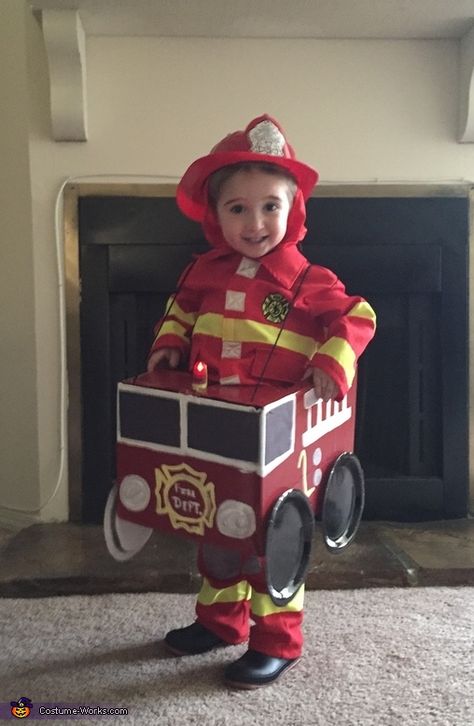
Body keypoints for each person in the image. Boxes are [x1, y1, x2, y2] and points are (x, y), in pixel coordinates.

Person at [147, 114, 376, 689]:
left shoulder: (308, 279)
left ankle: (277, 640)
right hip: (214, 428)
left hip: (280, 439)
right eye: (238, 209)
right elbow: (180, 311)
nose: (255, 223)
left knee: (274, 543)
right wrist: (170, 344)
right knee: (219, 533)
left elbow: (357, 317)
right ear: (215, 214)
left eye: (270, 207)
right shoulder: (202, 271)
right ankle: (221, 622)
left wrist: (330, 361)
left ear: (292, 209)